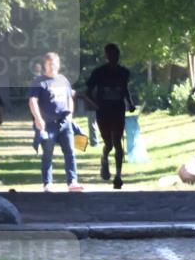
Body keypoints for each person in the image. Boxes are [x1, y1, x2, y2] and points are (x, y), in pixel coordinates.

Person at [28, 52, 83, 192]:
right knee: (48, 153)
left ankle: (73, 182)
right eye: (50, 64)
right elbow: (32, 101)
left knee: (70, 152)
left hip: (65, 122)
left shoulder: (63, 80)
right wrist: (38, 118)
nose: (53, 66)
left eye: (55, 63)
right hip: (48, 124)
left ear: (59, 64)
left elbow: (70, 98)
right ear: (45, 65)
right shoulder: (39, 82)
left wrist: (70, 114)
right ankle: (48, 183)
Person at [86, 43, 134, 189]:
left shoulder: (124, 72)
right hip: (103, 111)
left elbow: (125, 89)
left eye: (117, 54)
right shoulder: (99, 72)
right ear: (106, 56)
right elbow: (87, 92)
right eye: (111, 55)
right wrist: (96, 105)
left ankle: (118, 176)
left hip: (118, 110)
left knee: (118, 142)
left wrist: (130, 103)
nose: (114, 57)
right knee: (109, 143)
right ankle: (104, 158)